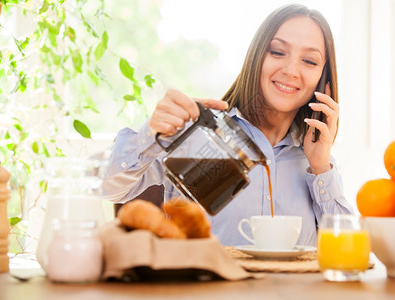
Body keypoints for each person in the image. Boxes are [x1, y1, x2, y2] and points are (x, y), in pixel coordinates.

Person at [102, 3, 354, 247]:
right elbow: (109, 187)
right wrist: (151, 133)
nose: (291, 70)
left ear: (324, 79)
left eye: (309, 61)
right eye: (277, 52)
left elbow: (345, 250)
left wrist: (322, 167)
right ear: (255, 57)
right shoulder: (200, 135)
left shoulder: (316, 165)